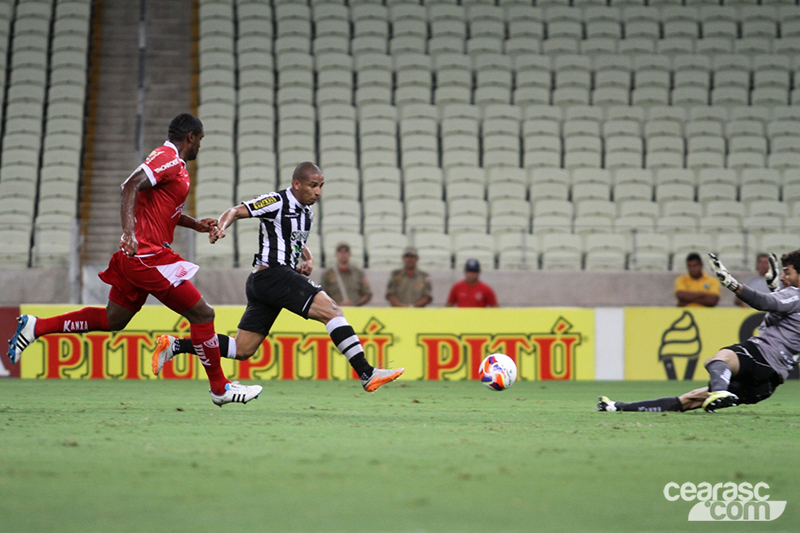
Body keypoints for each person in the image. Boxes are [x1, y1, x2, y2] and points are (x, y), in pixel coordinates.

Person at [6, 114, 262, 406]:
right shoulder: (167, 158)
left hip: (139, 259)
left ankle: (35, 327)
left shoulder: (172, 163)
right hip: (147, 256)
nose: (199, 146)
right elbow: (130, 185)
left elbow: (161, 208)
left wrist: (195, 224)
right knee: (203, 314)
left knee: (112, 319)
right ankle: (220, 388)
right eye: (200, 140)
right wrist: (128, 232)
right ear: (190, 137)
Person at [152, 162, 404, 392]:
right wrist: (220, 226)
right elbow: (235, 211)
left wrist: (308, 257)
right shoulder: (276, 200)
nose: (318, 192)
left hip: (267, 282)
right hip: (273, 274)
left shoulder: (307, 212)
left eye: (321, 186)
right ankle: (366, 372)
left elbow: (294, 239)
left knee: (242, 349)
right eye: (313, 185)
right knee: (332, 311)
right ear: (297, 184)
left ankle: (174, 346)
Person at [598, 250, 793, 414]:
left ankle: (719, 392)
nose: (783, 276)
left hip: (761, 358)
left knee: (721, 358)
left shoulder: (796, 295)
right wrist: (775, 287)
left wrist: (732, 284)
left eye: (787, 272)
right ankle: (616, 406)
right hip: (767, 384)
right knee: (690, 400)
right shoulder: (793, 298)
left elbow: (764, 303)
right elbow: (783, 311)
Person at [320, 242, 372, 306]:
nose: (343, 254)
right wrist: (335, 305)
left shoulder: (358, 273)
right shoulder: (327, 274)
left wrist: (356, 304)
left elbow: (367, 293)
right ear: (336, 254)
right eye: (340, 252)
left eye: (346, 252)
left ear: (349, 254)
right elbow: (321, 294)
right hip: (335, 309)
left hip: (355, 310)